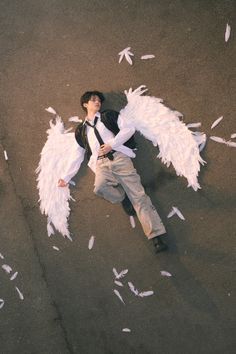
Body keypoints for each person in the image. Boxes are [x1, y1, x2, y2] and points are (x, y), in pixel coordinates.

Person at [58, 91, 168, 253]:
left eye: (99, 101)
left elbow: (128, 129)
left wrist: (112, 144)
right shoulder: (81, 131)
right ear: (85, 104)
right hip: (100, 164)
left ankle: (156, 237)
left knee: (138, 196)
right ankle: (123, 197)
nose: (98, 102)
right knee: (99, 188)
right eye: (93, 100)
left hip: (119, 157)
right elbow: (77, 155)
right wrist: (65, 177)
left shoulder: (108, 116)